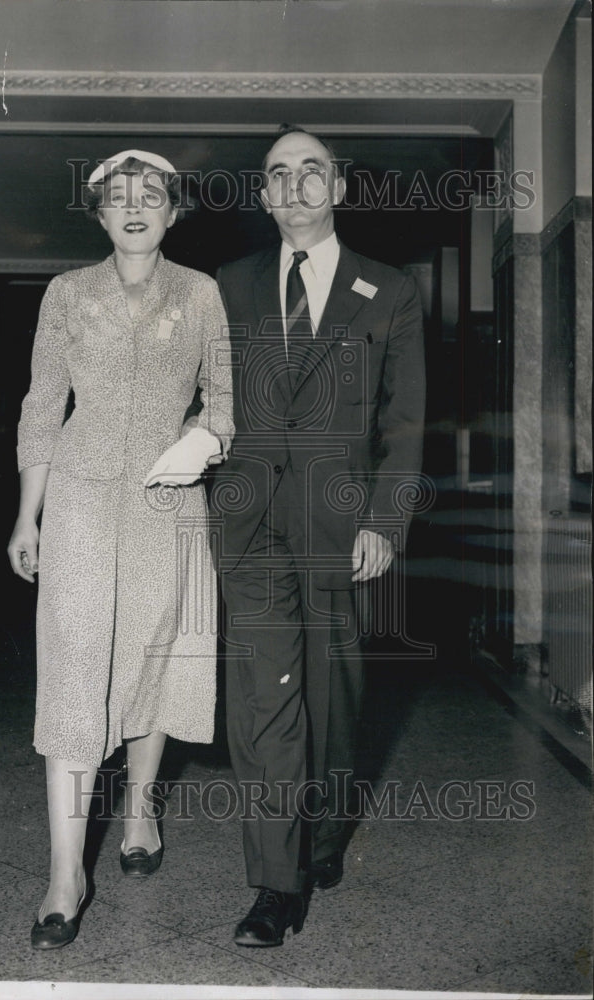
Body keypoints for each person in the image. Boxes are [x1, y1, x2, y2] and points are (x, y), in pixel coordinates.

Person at [7, 149, 234, 950]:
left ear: (173, 212)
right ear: (98, 214)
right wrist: (26, 515)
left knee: (152, 653)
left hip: (167, 503)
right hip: (77, 495)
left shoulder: (201, 293)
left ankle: (139, 805)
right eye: (117, 197)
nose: (134, 207)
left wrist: (200, 442)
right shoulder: (66, 293)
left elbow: (224, 405)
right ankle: (65, 873)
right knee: (73, 665)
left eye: (152, 196)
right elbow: (41, 404)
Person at [211, 127, 425, 946]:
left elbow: (404, 422)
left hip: (341, 520)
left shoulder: (390, 289)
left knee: (333, 697)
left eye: (312, 172)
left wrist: (384, 518)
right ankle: (275, 881)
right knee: (263, 700)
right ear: (263, 196)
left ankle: (324, 835)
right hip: (251, 518)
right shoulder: (225, 286)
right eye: (278, 174)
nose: (294, 186)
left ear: (338, 189)